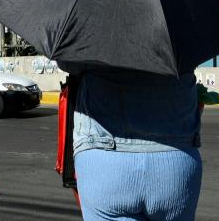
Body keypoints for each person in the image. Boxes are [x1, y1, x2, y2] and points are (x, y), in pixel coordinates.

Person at [72, 68, 202, 220]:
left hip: (106, 156)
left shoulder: (90, 44)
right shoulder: (177, 46)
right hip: (176, 160)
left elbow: (67, 63)